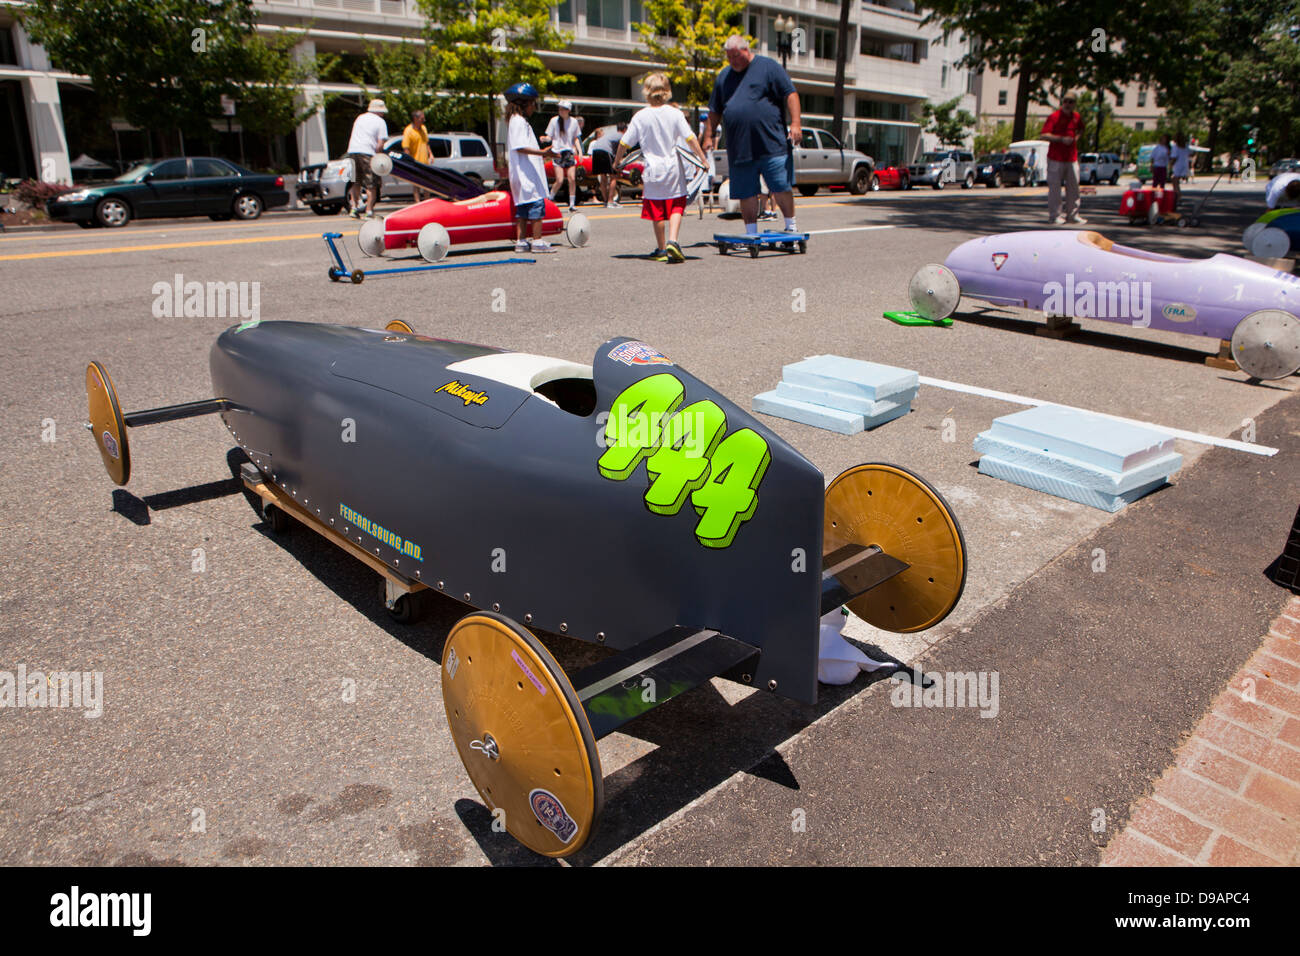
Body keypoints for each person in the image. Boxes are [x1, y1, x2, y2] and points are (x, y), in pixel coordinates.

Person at [702, 34, 802, 236]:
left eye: (736, 56)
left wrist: (796, 123)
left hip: (770, 144)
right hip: (740, 148)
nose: (733, 61)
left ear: (746, 50)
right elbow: (714, 110)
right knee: (746, 192)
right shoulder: (724, 76)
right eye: (729, 57)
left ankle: (790, 226)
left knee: (780, 186)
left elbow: (790, 94)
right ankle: (750, 232)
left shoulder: (768, 67)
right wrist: (707, 136)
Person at [614, 73, 708, 263]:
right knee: (676, 204)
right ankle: (674, 240)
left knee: (656, 207)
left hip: (651, 167)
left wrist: (617, 162)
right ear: (667, 91)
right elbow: (690, 138)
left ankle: (661, 248)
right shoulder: (675, 114)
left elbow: (624, 142)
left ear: (647, 92)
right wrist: (703, 159)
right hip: (672, 166)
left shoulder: (640, 116)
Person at [503, 83, 557, 253]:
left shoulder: (516, 121)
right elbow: (520, 147)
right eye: (533, 103)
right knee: (536, 207)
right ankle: (538, 242)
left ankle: (521, 241)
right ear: (524, 103)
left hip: (520, 174)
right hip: (525, 173)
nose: (534, 107)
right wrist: (543, 153)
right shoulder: (518, 121)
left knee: (522, 209)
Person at [1040, 92, 1084, 225]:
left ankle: (1073, 215)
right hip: (1055, 158)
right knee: (1055, 189)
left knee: (1074, 188)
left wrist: (1075, 139)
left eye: (1071, 102)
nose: (1068, 104)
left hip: (1071, 158)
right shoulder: (1054, 117)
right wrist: (1061, 139)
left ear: (1074, 104)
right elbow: (1044, 135)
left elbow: (1081, 129)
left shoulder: (1076, 117)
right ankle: (1055, 216)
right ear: (1062, 102)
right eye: (1066, 101)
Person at [346, 99, 389, 219]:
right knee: (372, 183)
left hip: (352, 151)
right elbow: (380, 144)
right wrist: (378, 156)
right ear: (379, 111)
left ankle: (354, 209)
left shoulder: (360, 118)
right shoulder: (380, 122)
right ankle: (369, 211)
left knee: (355, 181)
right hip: (367, 153)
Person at [544, 101, 582, 212]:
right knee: (559, 180)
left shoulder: (574, 122)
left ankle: (571, 204)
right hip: (557, 152)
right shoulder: (554, 120)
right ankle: (550, 198)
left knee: (572, 179)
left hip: (569, 152)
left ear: (568, 110)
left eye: (563, 109)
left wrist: (579, 152)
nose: (561, 110)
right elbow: (549, 136)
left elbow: (576, 138)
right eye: (560, 108)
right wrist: (545, 139)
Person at [589, 123, 626, 208]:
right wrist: (617, 162)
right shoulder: (622, 136)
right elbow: (621, 149)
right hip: (605, 151)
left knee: (603, 176)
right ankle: (610, 201)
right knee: (614, 176)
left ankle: (605, 201)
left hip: (596, 150)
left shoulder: (611, 135)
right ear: (625, 130)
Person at [402, 109, 432, 203]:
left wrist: (431, 154)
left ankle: (427, 202)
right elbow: (406, 148)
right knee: (417, 184)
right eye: (422, 118)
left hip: (425, 162)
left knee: (427, 184)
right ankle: (418, 202)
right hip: (415, 162)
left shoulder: (424, 128)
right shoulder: (408, 131)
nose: (424, 120)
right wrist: (408, 162)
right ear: (415, 118)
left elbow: (426, 143)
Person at [1170, 132, 1190, 207]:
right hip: (1184, 165)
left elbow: (1174, 157)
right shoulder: (1186, 146)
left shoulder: (1175, 147)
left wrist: (1170, 164)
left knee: (1175, 182)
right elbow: (1190, 153)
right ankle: (1178, 196)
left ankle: (1178, 196)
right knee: (1176, 181)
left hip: (1177, 165)